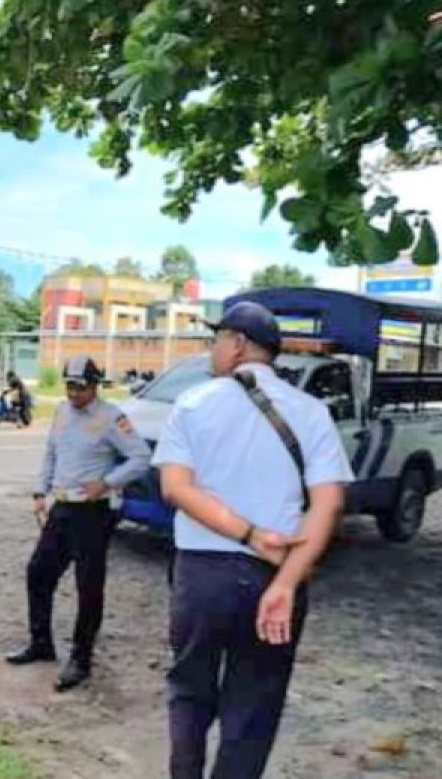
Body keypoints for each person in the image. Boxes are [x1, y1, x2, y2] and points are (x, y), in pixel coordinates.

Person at [152, 301, 353, 779]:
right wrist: (285, 583)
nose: (211, 350)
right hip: (276, 574)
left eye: (217, 339)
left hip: (202, 575)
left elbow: (175, 488)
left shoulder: (193, 403)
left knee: (190, 691)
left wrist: (247, 534)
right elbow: (328, 504)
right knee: (255, 704)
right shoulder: (310, 411)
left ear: (238, 343)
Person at [6, 355, 151, 691]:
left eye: (81, 388)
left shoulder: (111, 417)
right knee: (38, 573)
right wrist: (40, 491)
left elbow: (141, 457)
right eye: (70, 387)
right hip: (62, 508)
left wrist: (108, 482)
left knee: (88, 588)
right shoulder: (60, 412)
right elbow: (51, 453)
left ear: (95, 386)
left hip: (93, 512)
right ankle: (41, 643)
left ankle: (81, 660)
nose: (74, 394)